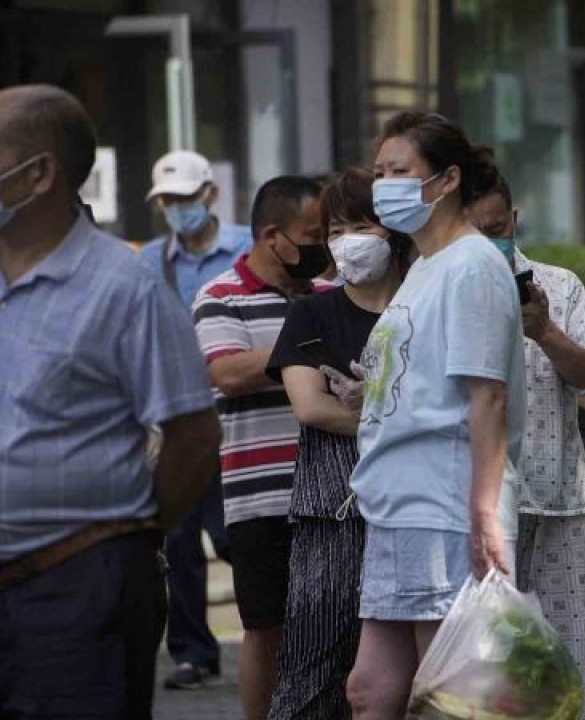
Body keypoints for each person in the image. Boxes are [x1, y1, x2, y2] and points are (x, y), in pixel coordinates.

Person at [0, 84, 221, 719]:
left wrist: (130, 534)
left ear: (39, 174)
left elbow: (193, 435)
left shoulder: (125, 289)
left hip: (79, 587)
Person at [343, 112, 524, 720]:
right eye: (379, 172)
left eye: (400, 171)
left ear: (447, 180)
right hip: (395, 499)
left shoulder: (471, 266)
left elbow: (487, 396)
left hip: (442, 503)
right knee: (369, 690)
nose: (384, 186)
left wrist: (483, 513)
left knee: (450, 694)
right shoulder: (424, 265)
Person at [467, 161, 585, 720]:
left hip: (554, 495)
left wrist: (547, 332)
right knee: (486, 665)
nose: (491, 242)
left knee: (567, 656)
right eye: (476, 233)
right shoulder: (433, 290)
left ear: (515, 218)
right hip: (473, 508)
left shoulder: (558, 286)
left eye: (498, 229)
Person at [262, 168, 412, 719]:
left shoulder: (423, 307)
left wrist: (375, 414)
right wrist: (401, 422)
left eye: (362, 226)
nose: (347, 241)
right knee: (315, 666)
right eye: (335, 230)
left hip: (418, 507)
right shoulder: (311, 312)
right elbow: (311, 407)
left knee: (417, 670)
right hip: (333, 513)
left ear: (395, 230)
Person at [193, 175, 330, 720]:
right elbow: (228, 373)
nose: (322, 247)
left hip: (333, 494)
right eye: (312, 235)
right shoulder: (220, 296)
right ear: (273, 236)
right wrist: (308, 344)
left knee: (337, 624)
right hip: (260, 498)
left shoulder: (328, 294)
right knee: (264, 627)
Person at [138, 148, 250, 690]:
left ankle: (272, 633)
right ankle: (193, 652)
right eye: (167, 201)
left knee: (236, 535)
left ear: (210, 194)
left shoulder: (248, 248)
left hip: (239, 415)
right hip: (177, 419)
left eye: (185, 198)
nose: (177, 209)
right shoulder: (149, 263)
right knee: (178, 539)